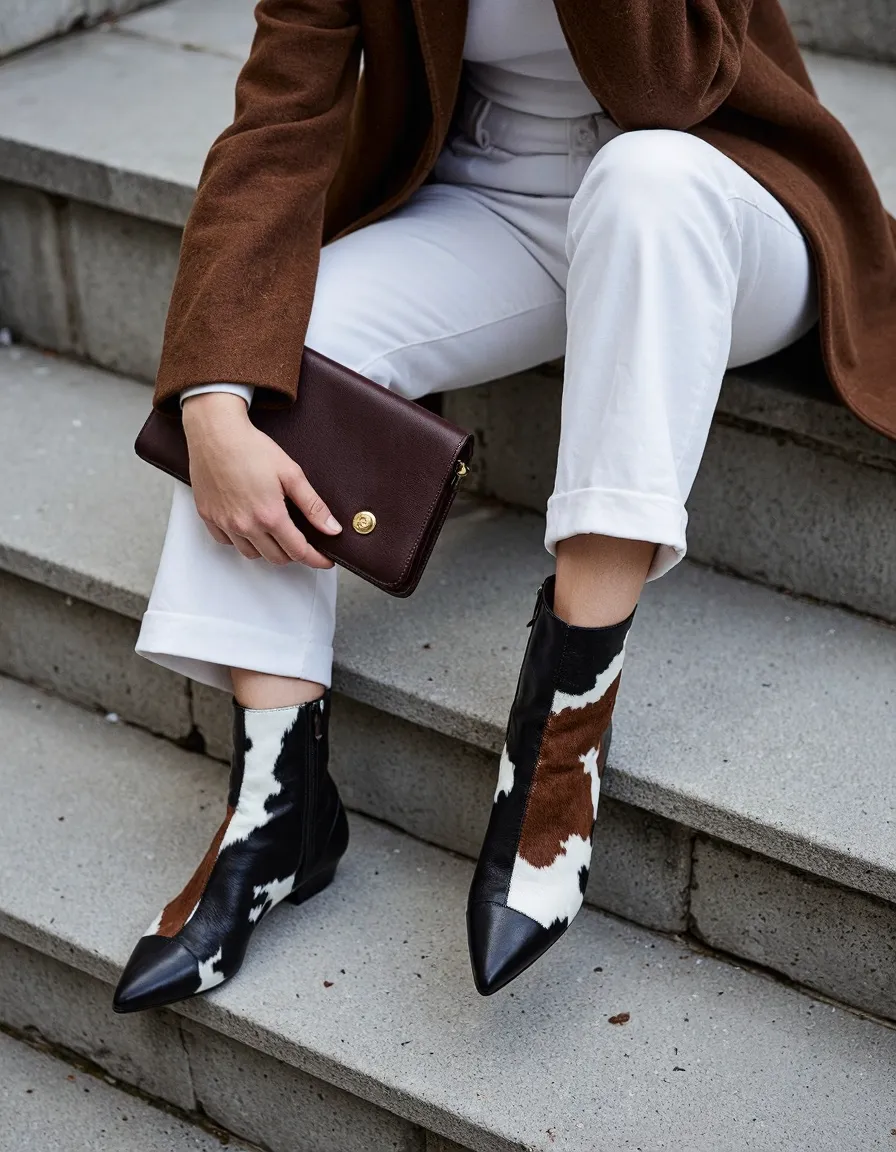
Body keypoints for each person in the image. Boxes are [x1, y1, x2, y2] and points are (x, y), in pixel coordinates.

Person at [112, 0, 896, 1013]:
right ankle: (277, 810)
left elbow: (665, 84)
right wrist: (213, 403)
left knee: (642, 178)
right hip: (499, 199)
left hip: (712, 188)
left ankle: (563, 719)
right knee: (272, 352)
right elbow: (277, 123)